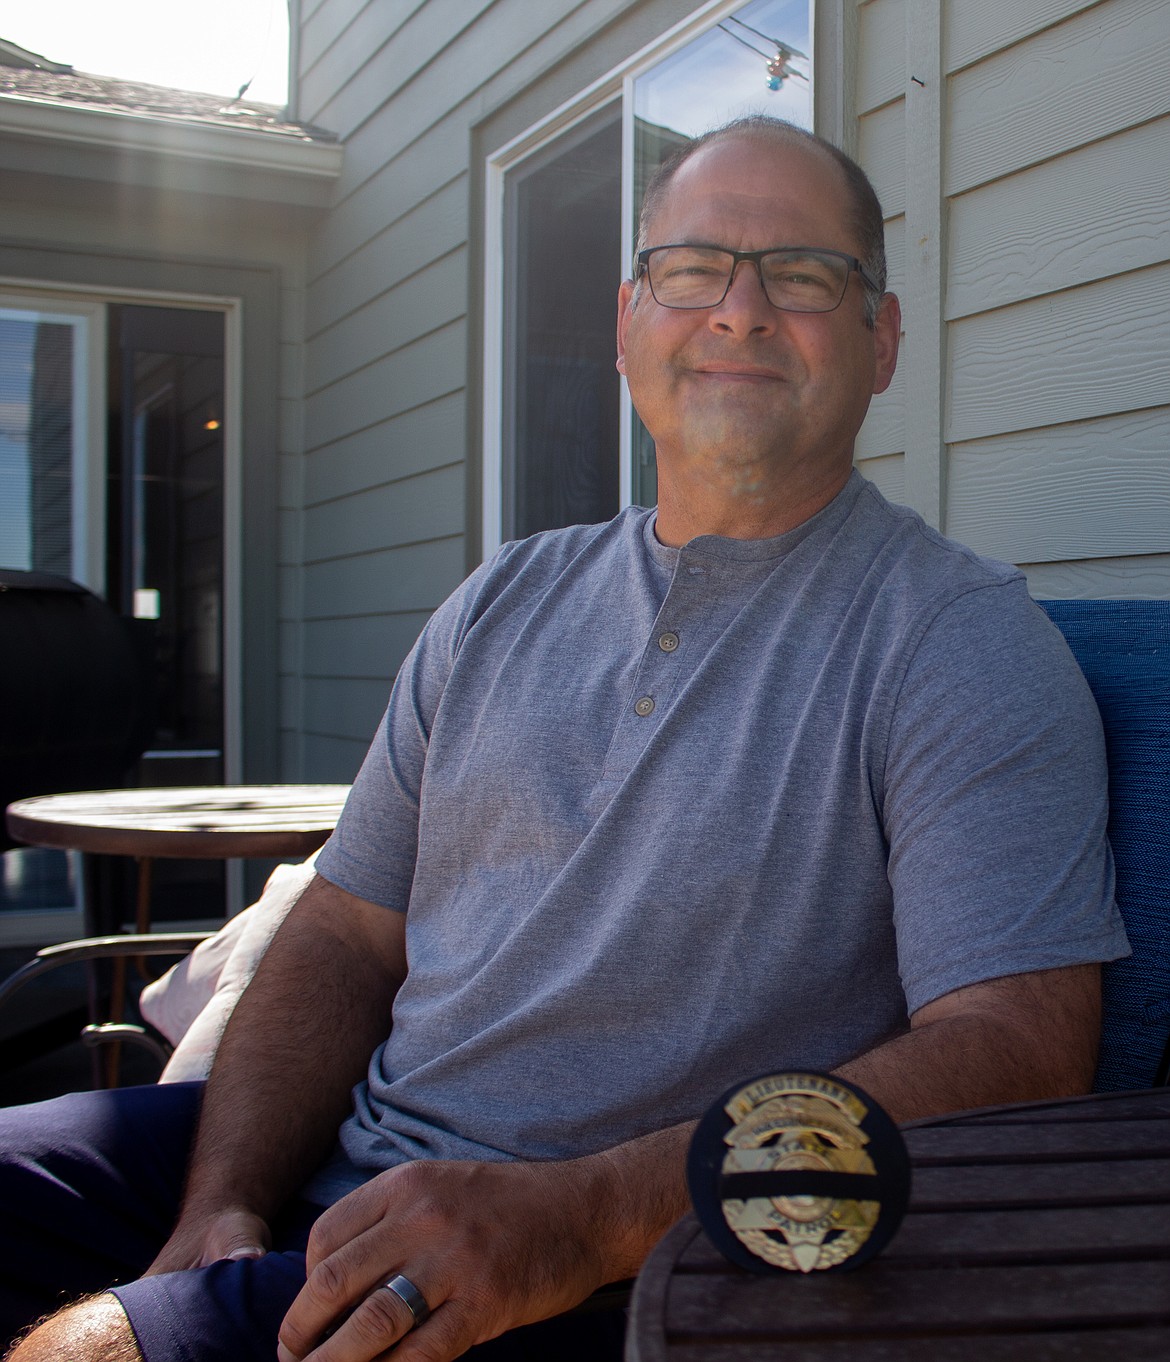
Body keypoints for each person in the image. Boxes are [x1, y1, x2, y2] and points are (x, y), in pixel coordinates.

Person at [1, 116, 1127, 1362]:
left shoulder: (955, 639)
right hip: (345, 1156)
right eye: (692, 269)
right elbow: (344, 929)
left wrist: (589, 1219)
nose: (740, 310)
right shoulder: (505, 598)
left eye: (805, 275)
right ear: (627, 323)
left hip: (619, 1266)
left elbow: (1017, 1050)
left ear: (884, 339)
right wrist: (222, 1199)